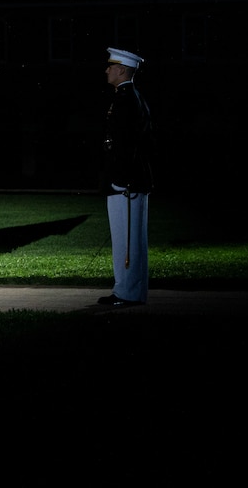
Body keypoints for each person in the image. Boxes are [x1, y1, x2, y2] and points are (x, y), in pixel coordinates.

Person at [98, 47, 154, 307]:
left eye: (112, 66)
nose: (107, 70)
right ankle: (130, 290)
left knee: (127, 241)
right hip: (129, 180)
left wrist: (120, 179)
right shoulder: (130, 97)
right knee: (130, 241)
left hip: (125, 182)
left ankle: (127, 293)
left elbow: (127, 144)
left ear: (122, 70)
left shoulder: (126, 99)